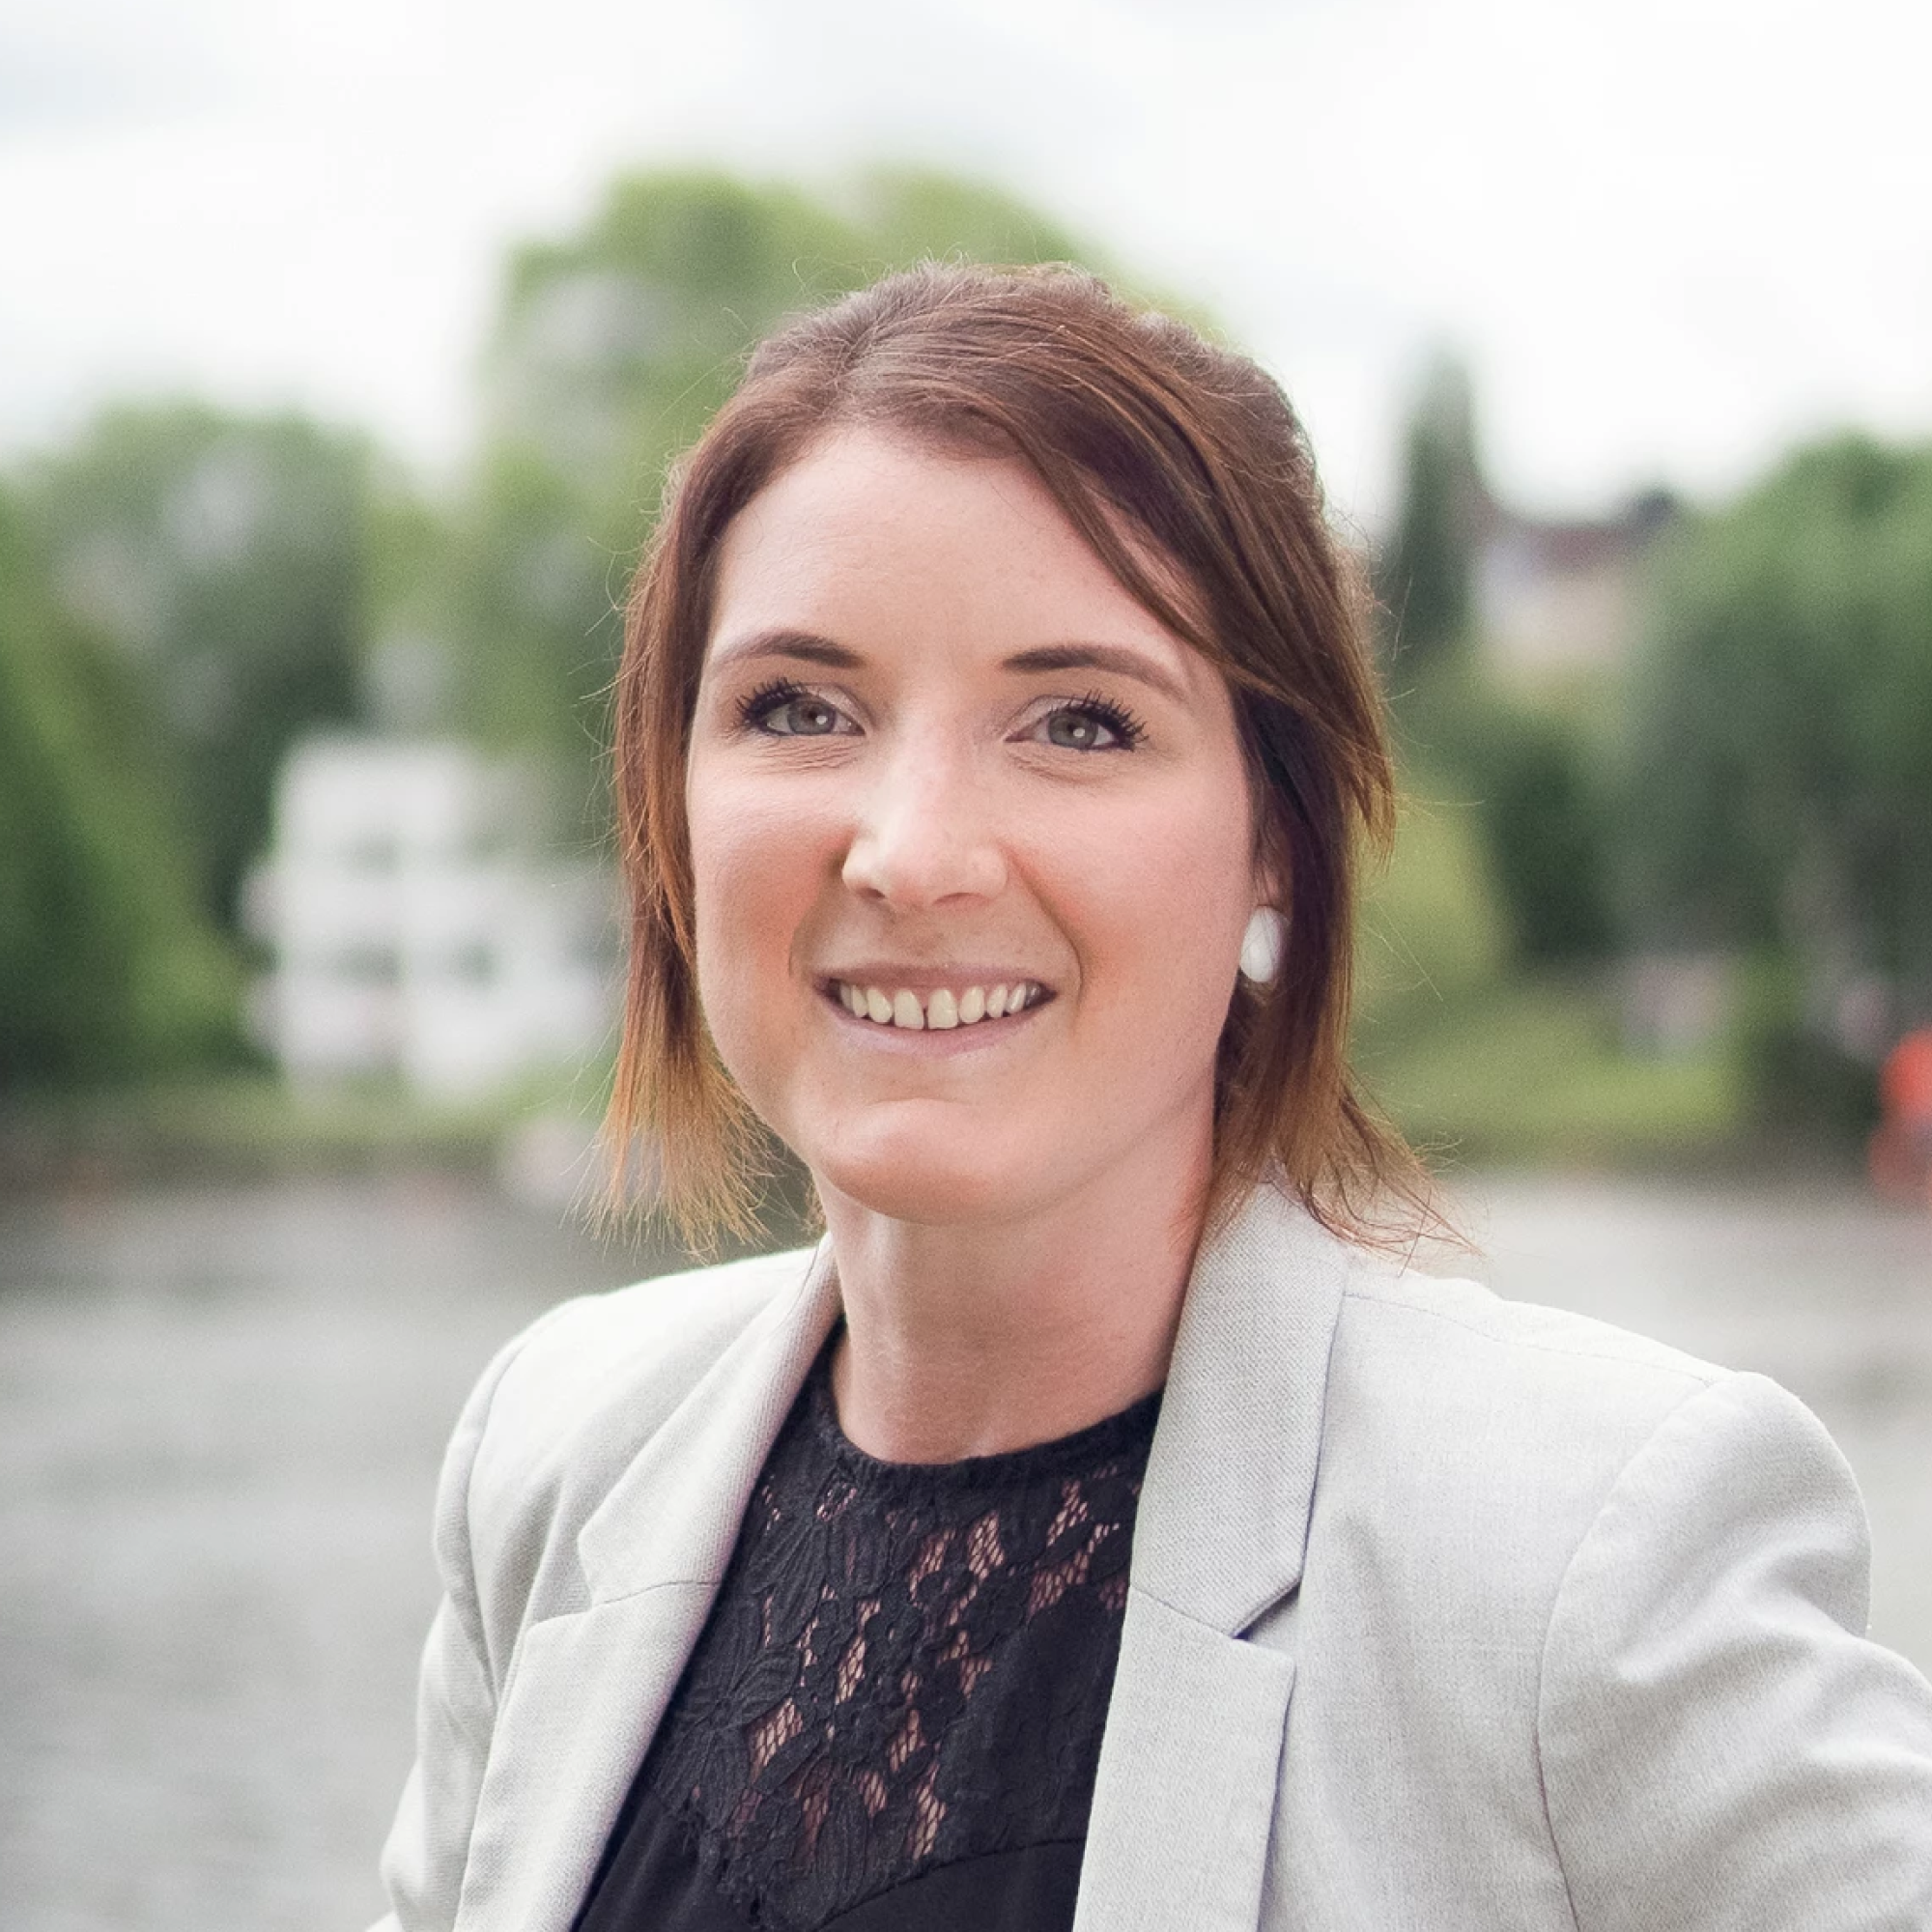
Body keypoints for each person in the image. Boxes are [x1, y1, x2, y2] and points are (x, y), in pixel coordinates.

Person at [371, 265, 1932, 1932]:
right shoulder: (553, 1452)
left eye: (1077, 723)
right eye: (799, 708)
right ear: (669, 795)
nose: (911, 853)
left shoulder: (1590, 1556)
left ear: (1276, 830)